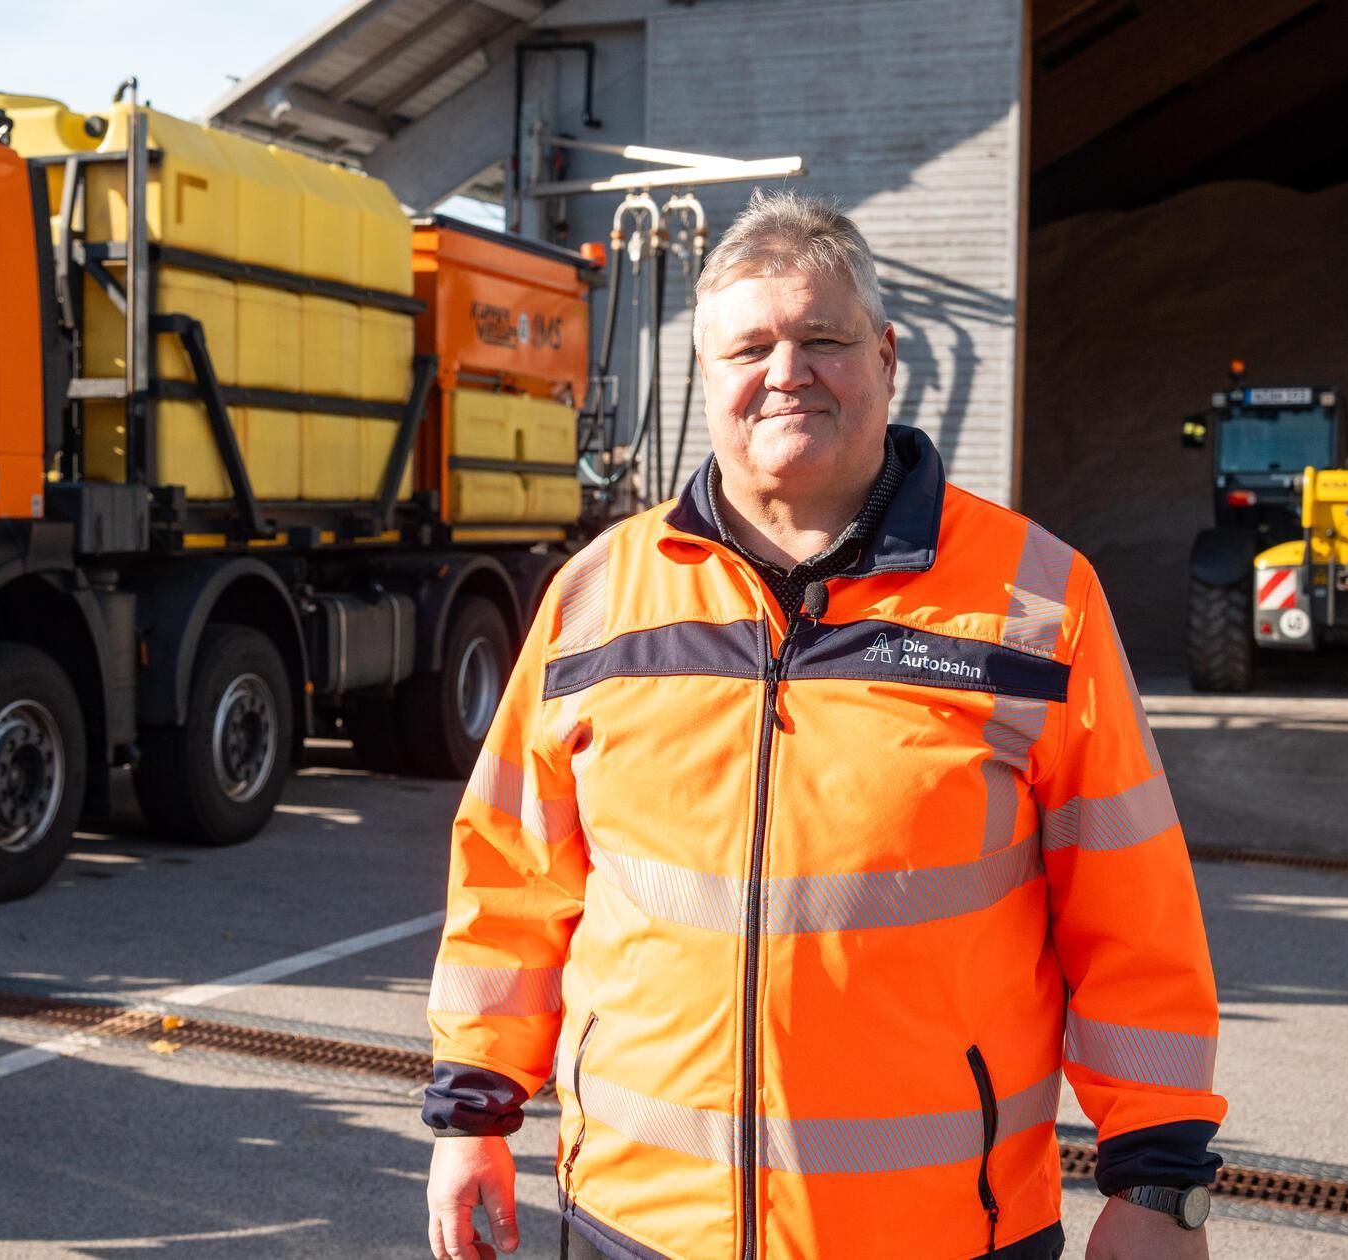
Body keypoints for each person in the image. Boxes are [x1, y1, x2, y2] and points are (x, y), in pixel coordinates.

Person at [422, 190, 1225, 1260]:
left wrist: (1157, 1184)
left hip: (944, 1234)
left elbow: (1133, 913)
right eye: (748, 346)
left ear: (887, 358)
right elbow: (511, 880)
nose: (785, 371)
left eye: (823, 338)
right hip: (634, 1225)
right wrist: (472, 1115)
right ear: (704, 377)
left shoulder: (1038, 601)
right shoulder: (593, 596)